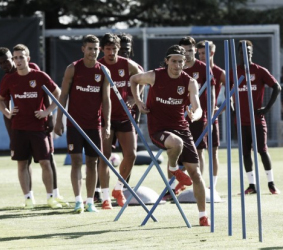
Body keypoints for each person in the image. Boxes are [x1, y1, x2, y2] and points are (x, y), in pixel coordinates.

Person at [130, 44, 210, 226]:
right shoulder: (154, 75)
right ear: (166, 61)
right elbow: (134, 79)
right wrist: (138, 101)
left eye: (180, 61)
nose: (177, 65)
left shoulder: (190, 82)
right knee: (176, 143)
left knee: (196, 174)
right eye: (173, 61)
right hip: (158, 128)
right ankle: (174, 169)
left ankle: (203, 215)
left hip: (181, 127)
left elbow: (197, 108)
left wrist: (194, 115)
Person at [0, 47, 68, 208]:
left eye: (20, 57)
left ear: (28, 58)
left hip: (39, 127)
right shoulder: (9, 79)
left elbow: (57, 92)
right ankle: (28, 198)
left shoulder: (38, 75)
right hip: (19, 128)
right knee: (22, 163)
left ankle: (52, 196)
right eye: (16, 58)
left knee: (46, 161)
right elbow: (1, 99)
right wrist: (8, 112)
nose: (18, 61)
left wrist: (47, 112)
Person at [54, 35, 111, 213]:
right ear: (83, 49)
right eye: (90, 48)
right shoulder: (73, 68)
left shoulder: (103, 71)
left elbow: (106, 99)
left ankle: (90, 201)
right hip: (74, 125)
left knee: (93, 162)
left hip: (94, 124)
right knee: (76, 161)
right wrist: (58, 120)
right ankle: (78, 200)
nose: (93, 52)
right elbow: (63, 96)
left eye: (96, 49)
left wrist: (107, 124)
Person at [161, 36, 215, 200]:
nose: (188, 54)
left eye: (191, 51)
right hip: (177, 119)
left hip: (197, 117)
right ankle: (170, 188)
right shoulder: (174, 68)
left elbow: (211, 93)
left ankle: (200, 185)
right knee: (175, 152)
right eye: (184, 51)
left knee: (199, 151)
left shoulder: (204, 68)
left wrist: (210, 117)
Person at [98, 33, 142, 209]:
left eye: (114, 49)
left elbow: (142, 77)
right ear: (103, 49)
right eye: (108, 49)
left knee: (131, 155)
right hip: (104, 118)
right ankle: (105, 196)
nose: (111, 53)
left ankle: (119, 188)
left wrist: (133, 98)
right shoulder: (98, 65)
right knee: (105, 157)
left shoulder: (127, 64)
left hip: (124, 116)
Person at [230, 40, 281, 195]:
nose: (246, 54)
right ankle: (252, 185)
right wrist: (232, 109)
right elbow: (228, 92)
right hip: (241, 121)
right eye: (243, 52)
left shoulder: (259, 70)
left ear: (252, 53)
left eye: (249, 52)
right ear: (238, 53)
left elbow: (276, 87)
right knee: (245, 153)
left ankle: (271, 183)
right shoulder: (233, 72)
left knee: (262, 150)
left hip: (257, 120)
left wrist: (267, 108)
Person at [196, 40, 226, 191]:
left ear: (211, 53)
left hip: (211, 118)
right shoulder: (196, 69)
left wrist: (219, 109)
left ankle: (212, 186)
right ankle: (198, 184)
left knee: (213, 151)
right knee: (197, 151)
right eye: (199, 53)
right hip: (196, 117)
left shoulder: (219, 73)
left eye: (204, 53)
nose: (201, 56)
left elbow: (233, 93)